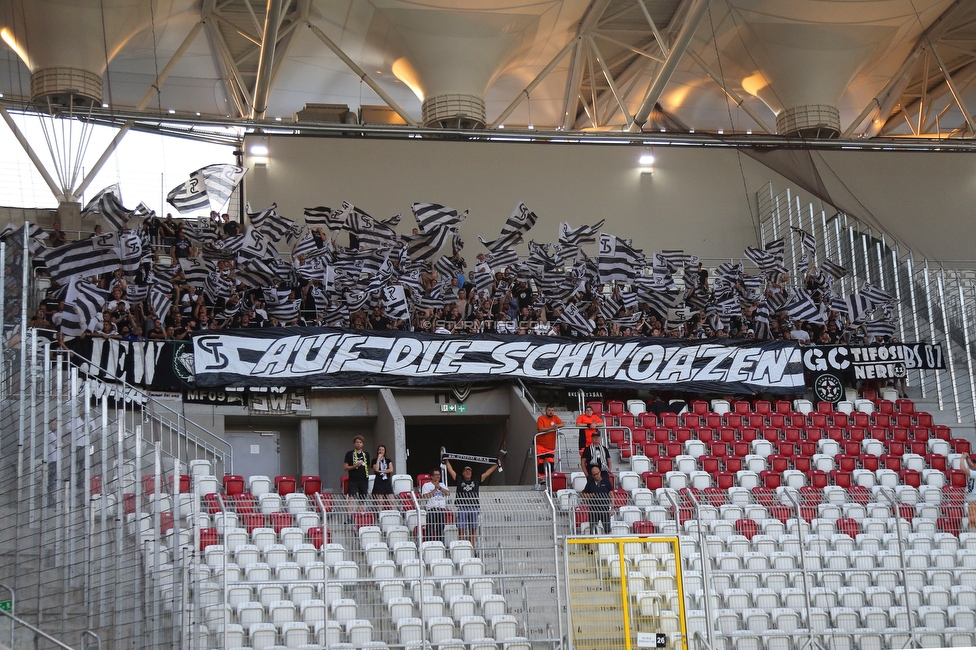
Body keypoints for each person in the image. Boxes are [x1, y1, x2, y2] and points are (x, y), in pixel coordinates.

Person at [446, 459, 499, 546]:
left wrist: (496, 465)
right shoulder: (459, 480)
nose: (468, 472)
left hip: (473, 507)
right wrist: (446, 459)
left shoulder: (476, 480)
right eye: (466, 471)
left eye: (469, 471)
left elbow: (487, 473)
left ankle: (472, 547)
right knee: (461, 530)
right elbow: (451, 471)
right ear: (463, 473)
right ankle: (461, 546)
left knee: (472, 530)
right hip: (462, 507)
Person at [420, 468, 450, 542]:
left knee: (441, 529)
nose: (438, 476)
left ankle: (440, 544)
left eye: (439, 475)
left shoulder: (442, 484)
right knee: (430, 529)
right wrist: (435, 490)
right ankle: (429, 545)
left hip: (441, 509)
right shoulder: (426, 485)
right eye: (436, 475)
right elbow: (425, 497)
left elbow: (448, 493)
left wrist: (439, 487)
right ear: (432, 476)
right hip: (432, 509)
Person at [582, 465, 613, 534]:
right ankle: (592, 544)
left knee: (608, 529)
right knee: (592, 530)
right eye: (594, 475)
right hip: (593, 510)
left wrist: (612, 507)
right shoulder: (590, 483)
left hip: (604, 509)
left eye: (597, 474)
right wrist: (591, 495)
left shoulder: (606, 481)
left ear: (600, 472)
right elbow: (584, 495)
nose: (596, 476)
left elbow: (611, 494)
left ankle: (609, 543)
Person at [536, 404, 563, 480]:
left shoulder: (555, 417)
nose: (551, 412)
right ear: (546, 411)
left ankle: (549, 479)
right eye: (549, 410)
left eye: (552, 410)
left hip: (550, 446)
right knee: (540, 463)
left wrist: (557, 426)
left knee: (551, 463)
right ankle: (541, 479)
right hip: (540, 444)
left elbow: (562, 424)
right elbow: (540, 429)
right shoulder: (541, 418)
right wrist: (551, 428)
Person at [963, 452, 976, 529]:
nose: (973, 464)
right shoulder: (974, 471)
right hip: (971, 501)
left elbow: (963, 469)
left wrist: (962, 459)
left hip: (974, 501)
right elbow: (972, 467)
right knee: (972, 522)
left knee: (974, 521)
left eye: (975, 463)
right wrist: (967, 459)